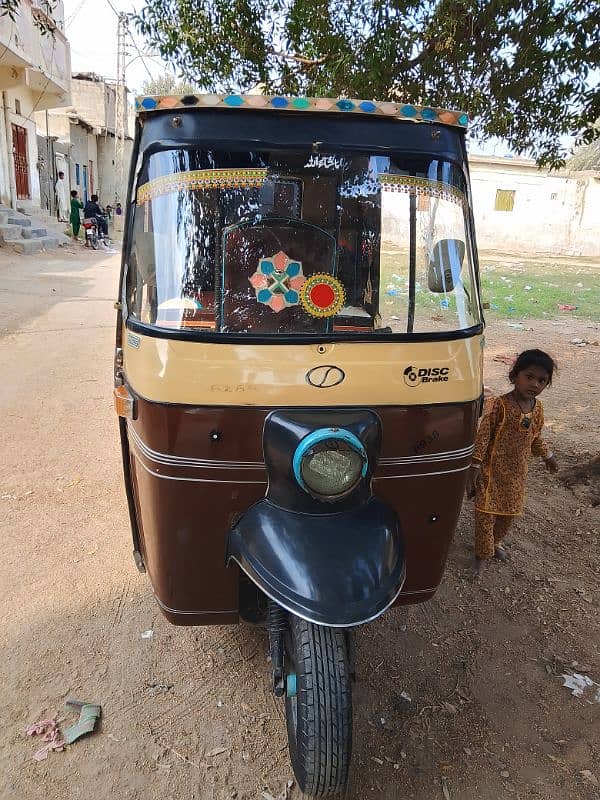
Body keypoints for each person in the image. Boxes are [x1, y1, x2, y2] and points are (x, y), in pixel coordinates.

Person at [466, 349, 559, 576]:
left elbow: (535, 436)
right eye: (529, 376)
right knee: (485, 515)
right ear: (514, 375)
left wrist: (548, 457)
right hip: (491, 472)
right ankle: (481, 556)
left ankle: (494, 544)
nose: (535, 384)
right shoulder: (499, 406)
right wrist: (475, 466)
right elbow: (484, 435)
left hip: (516, 476)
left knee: (507, 515)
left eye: (542, 380)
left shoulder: (538, 410)